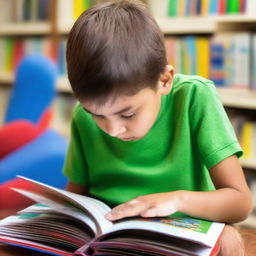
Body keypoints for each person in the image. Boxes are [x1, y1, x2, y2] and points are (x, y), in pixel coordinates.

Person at [63, 1, 252, 255]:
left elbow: (240, 203)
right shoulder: (81, 118)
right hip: (113, 239)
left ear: (164, 80)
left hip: (186, 232)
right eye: (95, 114)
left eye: (127, 113)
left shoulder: (194, 97)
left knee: (230, 242)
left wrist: (175, 199)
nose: (112, 129)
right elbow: (77, 198)